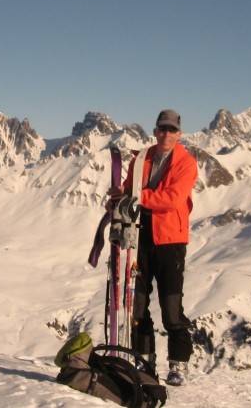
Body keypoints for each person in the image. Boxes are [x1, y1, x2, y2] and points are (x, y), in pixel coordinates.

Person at [107, 109, 198, 386]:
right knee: (137, 306)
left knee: (171, 308)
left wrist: (135, 197)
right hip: (141, 237)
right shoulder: (141, 159)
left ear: (179, 134)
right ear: (155, 131)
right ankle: (144, 361)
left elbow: (172, 199)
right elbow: (128, 189)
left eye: (172, 130)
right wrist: (118, 201)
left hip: (171, 242)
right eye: (162, 129)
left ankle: (178, 364)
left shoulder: (186, 163)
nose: (166, 134)